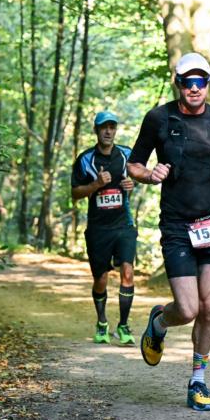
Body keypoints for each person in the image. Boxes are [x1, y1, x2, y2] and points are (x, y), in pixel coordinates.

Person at [127, 52, 210, 411]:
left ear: (208, 85)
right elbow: (134, 164)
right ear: (178, 83)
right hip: (177, 225)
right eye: (188, 81)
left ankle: (198, 380)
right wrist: (148, 174)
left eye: (201, 82)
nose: (195, 88)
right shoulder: (159, 118)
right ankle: (159, 321)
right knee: (187, 309)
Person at [71, 111, 138, 345]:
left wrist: (133, 183)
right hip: (98, 229)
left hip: (124, 225)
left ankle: (123, 325)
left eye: (112, 127)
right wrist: (96, 185)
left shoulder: (126, 154)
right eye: (104, 127)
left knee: (127, 272)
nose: (108, 131)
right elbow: (75, 194)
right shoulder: (85, 159)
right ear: (96, 131)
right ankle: (102, 323)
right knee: (100, 279)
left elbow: (137, 176)